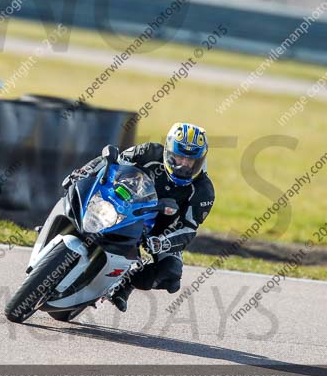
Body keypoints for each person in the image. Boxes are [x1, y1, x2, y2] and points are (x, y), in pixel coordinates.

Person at [65, 122, 215, 312]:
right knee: (76, 191)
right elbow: (112, 162)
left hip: (158, 231)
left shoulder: (203, 191)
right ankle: (61, 224)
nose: (184, 165)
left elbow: (189, 228)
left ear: (200, 161)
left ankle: (126, 283)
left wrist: (163, 242)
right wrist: (83, 172)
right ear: (168, 152)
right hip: (122, 203)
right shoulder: (148, 151)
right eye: (178, 157)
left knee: (171, 276)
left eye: (190, 161)